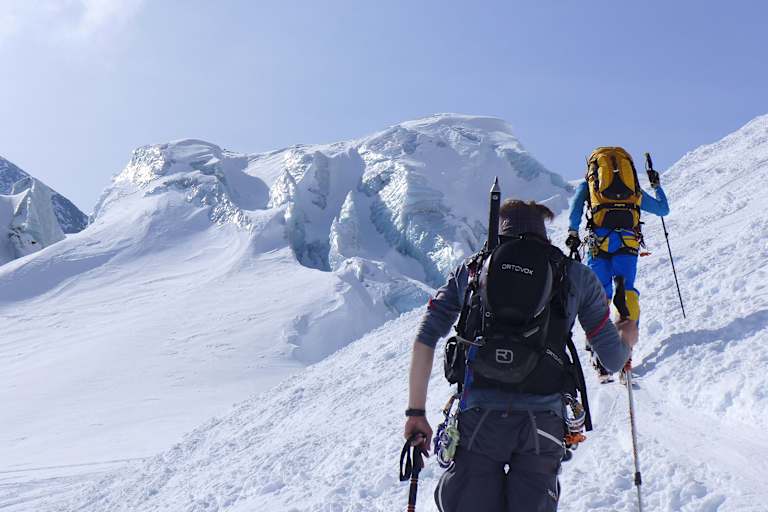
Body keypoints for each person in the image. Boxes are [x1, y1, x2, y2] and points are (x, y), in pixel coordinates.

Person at [404, 199, 637, 512]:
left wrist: (416, 413)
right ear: (543, 230)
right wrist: (626, 333)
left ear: (500, 229)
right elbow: (612, 359)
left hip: (479, 419)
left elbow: (426, 336)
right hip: (543, 424)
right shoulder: (575, 276)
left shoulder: (472, 271)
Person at [566, 147, 669, 380]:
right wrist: (656, 185)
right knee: (627, 293)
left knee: (599, 296)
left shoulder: (590, 187)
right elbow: (663, 209)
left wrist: (572, 232)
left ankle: (599, 354)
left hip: (598, 245)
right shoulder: (632, 190)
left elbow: (575, 209)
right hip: (627, 244)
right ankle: (626, 350)